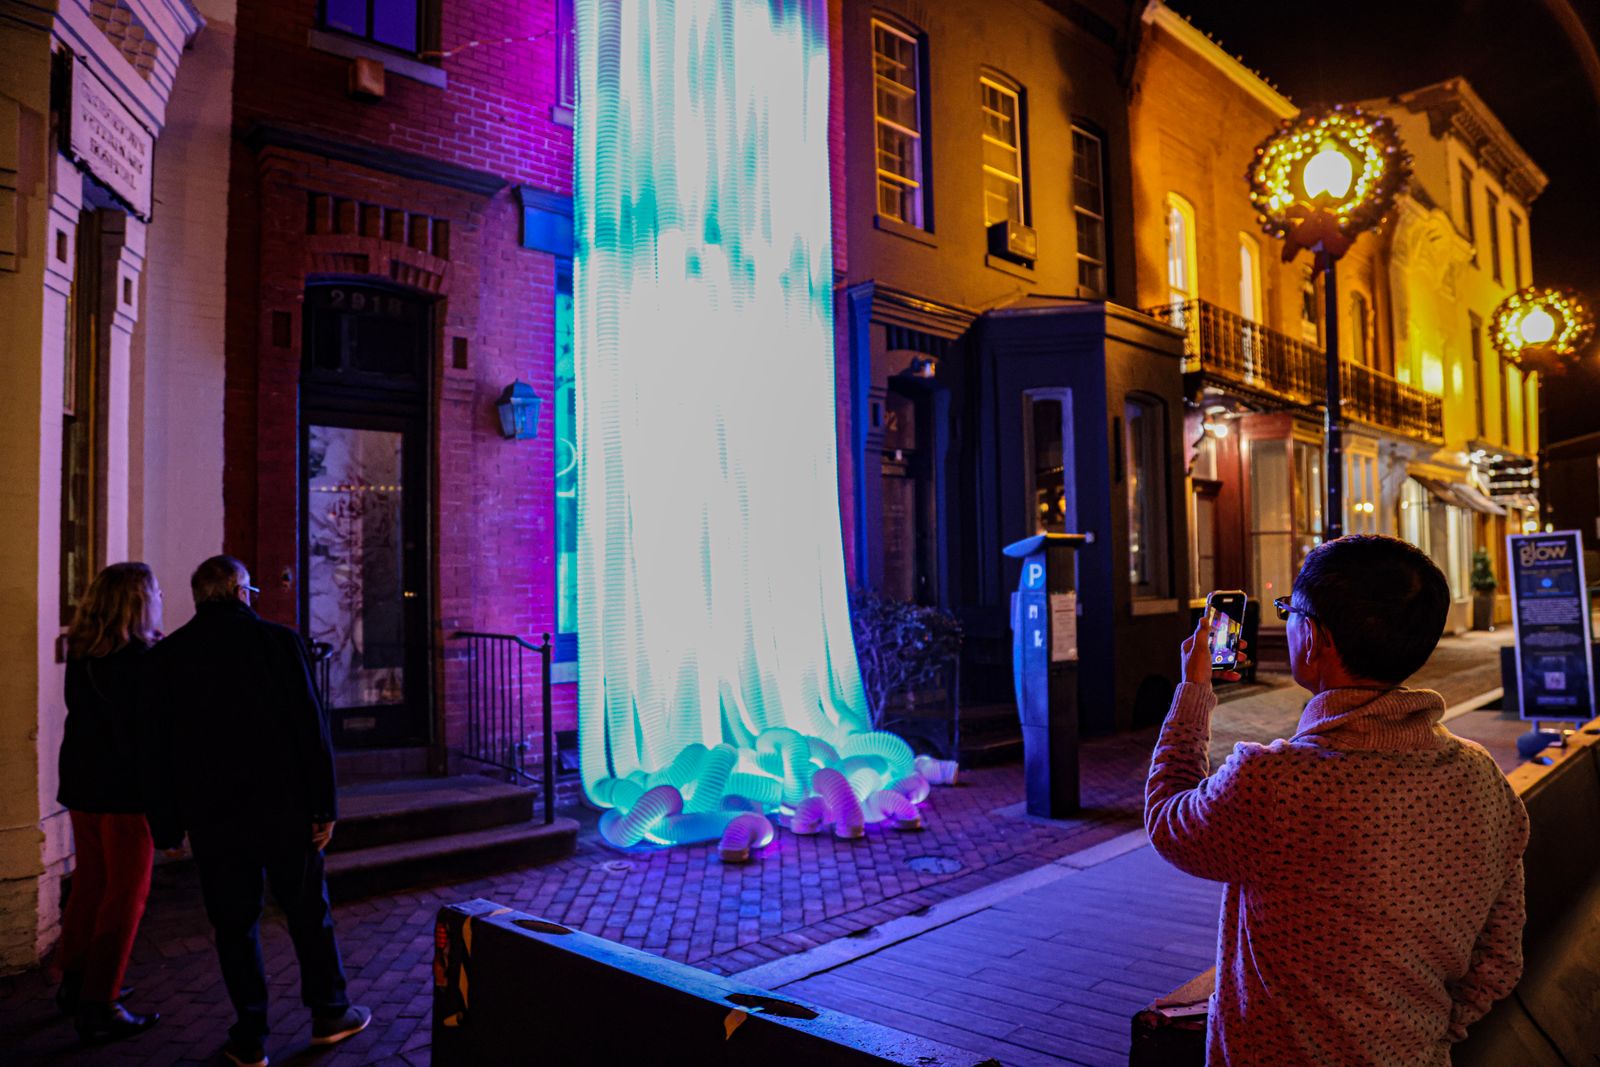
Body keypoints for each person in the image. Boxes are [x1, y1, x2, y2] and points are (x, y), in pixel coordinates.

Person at [1145, 535, 1528, 1066]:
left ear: (1316, 638)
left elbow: (1169, 821)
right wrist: (1424, 1036)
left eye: (1290, 612)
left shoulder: (1275, 781)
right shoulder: (1482, 777)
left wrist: (1193, 692)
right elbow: (1499, 960)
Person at [141, 555, 369, 1067]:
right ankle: (330, 1012)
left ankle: (249, 1035)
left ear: (199, 598)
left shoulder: (169, 656)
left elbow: (157, 748)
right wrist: (323, 805)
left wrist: (166, 822)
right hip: (284, 809)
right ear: (243, 592)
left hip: (214, 815)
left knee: (233, 924)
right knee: (309, 911)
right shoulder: (278, 643)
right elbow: (312, 732)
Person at [56, 562, 164, 1042]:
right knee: (127, 894)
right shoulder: (144, 662)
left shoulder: (83, 651)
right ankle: (101, 1001)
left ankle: (75, 980)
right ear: (139, 601)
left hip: (83, 780)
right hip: (124, 790)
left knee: (90, 885)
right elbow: (148, 736)